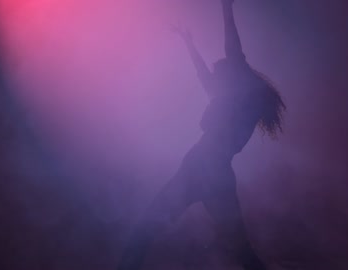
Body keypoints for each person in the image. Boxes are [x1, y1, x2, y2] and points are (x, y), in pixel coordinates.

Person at [118, 0, 286, 269]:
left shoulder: (236, 96)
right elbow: (203, 74)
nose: (215, 73)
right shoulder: (235, 103)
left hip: (199, 167)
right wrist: (188, 43)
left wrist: (226, 7)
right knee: (240, 250)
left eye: (220, 69)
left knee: (147, 227)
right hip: (218, 176)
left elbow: (231, 47)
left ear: (233, 74)